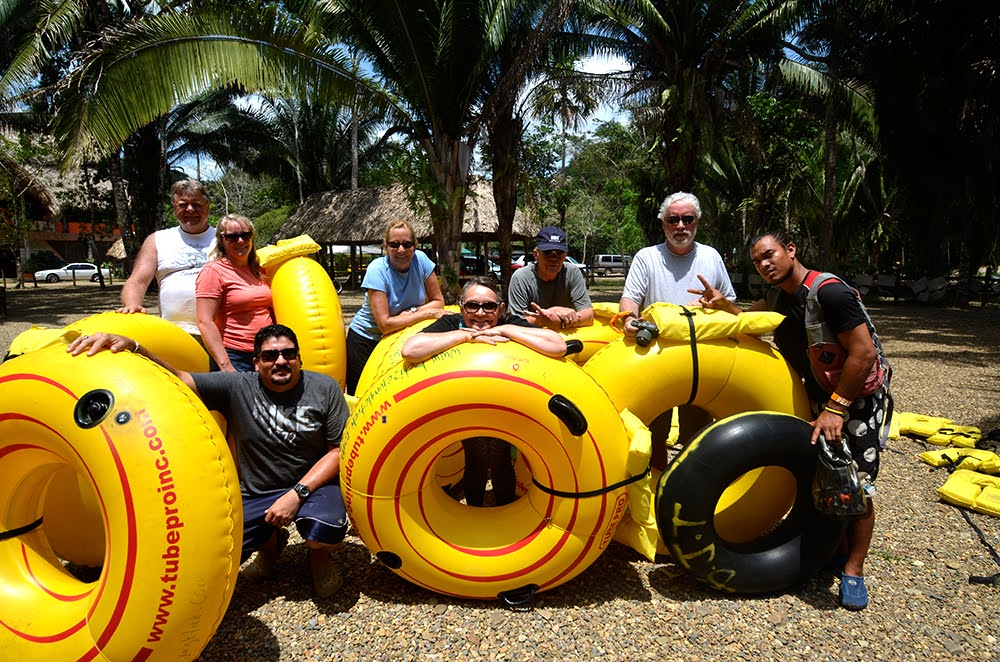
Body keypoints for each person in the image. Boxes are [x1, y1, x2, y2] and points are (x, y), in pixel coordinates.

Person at [68, 324, 351, 598]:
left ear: (299, 358)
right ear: (255, 363)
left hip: (311, 486)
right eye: (269, 356)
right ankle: (270, 546)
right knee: (219, 551)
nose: (281, 361)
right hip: (257, 490)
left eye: (289, 354)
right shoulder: (236, 386)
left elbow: (337, 451)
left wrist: (296, 494)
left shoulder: (323, 388)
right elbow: (178, 379)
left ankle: (318, 559)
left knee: (323, 529)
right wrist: (135, 346)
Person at [697, 230, 891, 611]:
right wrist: (724, 306)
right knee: (824, 473)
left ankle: (854, 568)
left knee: (856, 485)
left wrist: (837, 408)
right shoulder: (776, 296)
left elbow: (864, 353)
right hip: (820, 396)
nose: (764, 264)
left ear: (790, 249)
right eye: (757, 261)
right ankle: (835, 548)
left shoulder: (830, 293)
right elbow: (748, 319)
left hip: (858, 401)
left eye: (769, 255)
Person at [401, 276, 566, 507]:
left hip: (507, 402)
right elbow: (410, 349)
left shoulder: (508, 321)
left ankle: (503, 512)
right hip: (464, 402)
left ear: (501, 309)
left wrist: (507, 330)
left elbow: (557, 346)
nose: (480, 313)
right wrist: (466, 335)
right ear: (461, 308)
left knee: (499, 454)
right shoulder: (453, 324)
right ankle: (475, 511)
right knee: (477, 454)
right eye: (472, 306)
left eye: (489, 306)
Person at [618, 191, 737, 468]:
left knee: (697, 434)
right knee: (654, 432)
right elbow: (631, 298)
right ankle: (658, 485)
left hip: (700, 358)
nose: (680, 226)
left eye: (687, 219)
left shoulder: (711, 256)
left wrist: (717, 301)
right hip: (657, 359)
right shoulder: (646, 257)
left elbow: (728, 302)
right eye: (673, 220)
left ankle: (689, 488)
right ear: (663, 223)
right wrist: (628, 319)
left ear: (697, 222)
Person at [345, 220, 445, 395]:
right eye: (394, 244)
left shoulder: (421, 260)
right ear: (386, 246)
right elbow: (385, 324)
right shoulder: (376, 270)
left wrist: (413, 312)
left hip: (400, 338)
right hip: (367, 340)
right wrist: (427, 312)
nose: (401, 250)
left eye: (407, 244)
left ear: (415, 245)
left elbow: (438, 300)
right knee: (364, 395)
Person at [118, 179, 217, 335]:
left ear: (208, 206)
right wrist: (132, 306)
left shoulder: (227, 238)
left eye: (196, 204)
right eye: (183, 205)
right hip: (174, 332)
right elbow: (138, 281)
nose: (190, 209)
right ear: (174, 208)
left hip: (222, 333)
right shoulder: (158, 240)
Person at [195, 214, 274, 372]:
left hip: (265, 352)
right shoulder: (213, 272)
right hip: (235, 355)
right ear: (221, 240)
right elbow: (204, 321)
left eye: (245, 235)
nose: (240, 241)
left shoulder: (259, 270)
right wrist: (225, 365)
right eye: (232, 237)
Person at [507, 225, 594, 330]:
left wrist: (559, 322)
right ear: (536, 254)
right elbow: (516, 323)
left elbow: (588, 316)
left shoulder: (573, 273)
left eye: (559, 252)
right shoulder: (520, 278)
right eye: (547, 252)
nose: (553, 258)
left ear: (565, 255)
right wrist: (551, 313)